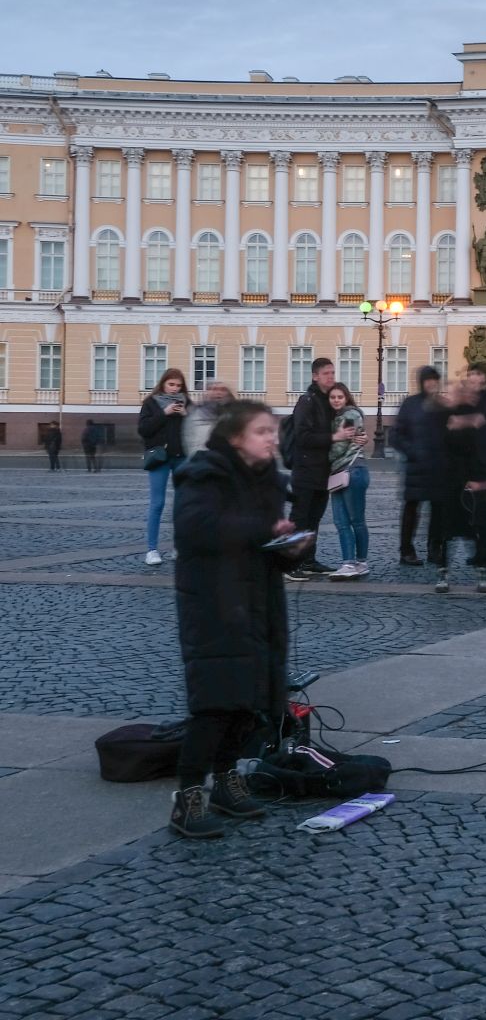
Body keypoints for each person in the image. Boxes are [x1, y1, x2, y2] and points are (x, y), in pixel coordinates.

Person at [167, 400, 306, 839]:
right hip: (216, 604)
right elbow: (197, 528)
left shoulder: (267, 480)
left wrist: (291, 549)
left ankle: (227, 781)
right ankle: (188, 798)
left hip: (259, 602)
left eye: (274, 431)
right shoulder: (203, 474)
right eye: (262, 431)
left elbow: (262, 545)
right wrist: (265, 531)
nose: (272, 438)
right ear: (234, 438)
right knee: (215, 706)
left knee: (249, 703)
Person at [432, 370, 486, 595]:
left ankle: (481, 571)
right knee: (446, 529)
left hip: (474, 478)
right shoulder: (445, 415)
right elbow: (440, 444)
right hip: (448, 479)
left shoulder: (478, 413)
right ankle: (443, 572)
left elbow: (485, 446)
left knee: (477, 527)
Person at [284, 357, 341, 580]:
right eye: (326, 373)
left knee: (314, 519)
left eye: (333, 373)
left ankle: (308, 560)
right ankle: (289, 564)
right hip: (305, 470)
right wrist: (332, 437)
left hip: (323, 471)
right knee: (299, 518)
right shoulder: (307, 401)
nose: (331, 377)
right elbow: (303, 436)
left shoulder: (329, 401)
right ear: (315, 376)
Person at [389, 366, 444, 566]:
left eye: (434, 380)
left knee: (438, 511)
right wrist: (412, 452)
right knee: (411, 510)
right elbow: (395, 435)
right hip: (415, 468)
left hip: (437, 468)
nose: (431, 383)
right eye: (427, 380)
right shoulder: (410, 404)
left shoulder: (441, 405)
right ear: (421, 382)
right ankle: (406, 550)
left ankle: (434, 549)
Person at [137, 368, 191, 566]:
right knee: (157, 504)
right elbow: (144, 430)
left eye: (178, 385)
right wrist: (164, 413)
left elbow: (195, 431)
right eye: (171, 384)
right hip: (159, 458)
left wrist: (186, 415)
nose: (175, 389)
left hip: (181, 458)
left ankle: (178, 546)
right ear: (163, 384)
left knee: (182, 504)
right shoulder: (151, 403)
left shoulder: (186, 402)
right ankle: (152, 550)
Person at [324, 383, 370, 580]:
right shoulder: (339, 417)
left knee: (354, 520)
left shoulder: (349, 416)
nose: (335, 400)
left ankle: (357, 562)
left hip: (351, 470)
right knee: (343, 521)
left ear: (346, 398)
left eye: (339, 397)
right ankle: (351, 563)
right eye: (332, 397)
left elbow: (339, 449)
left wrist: (321, 448)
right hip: (341, 472)